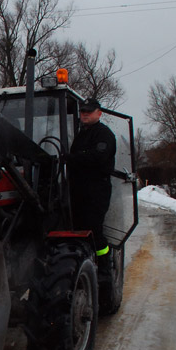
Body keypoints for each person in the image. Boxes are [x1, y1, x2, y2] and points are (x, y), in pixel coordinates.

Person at [65, 97, 116, 278]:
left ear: (99, 113)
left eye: (89, 111)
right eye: (83, 111)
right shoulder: (81, 134)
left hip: (96, 190)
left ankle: (104, 268)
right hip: (78, 189)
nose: (85, 114)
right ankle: (84, 262)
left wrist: (71, 159)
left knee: (94, 228)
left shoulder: (103, 134)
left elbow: (97, 158)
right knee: (78, 227)